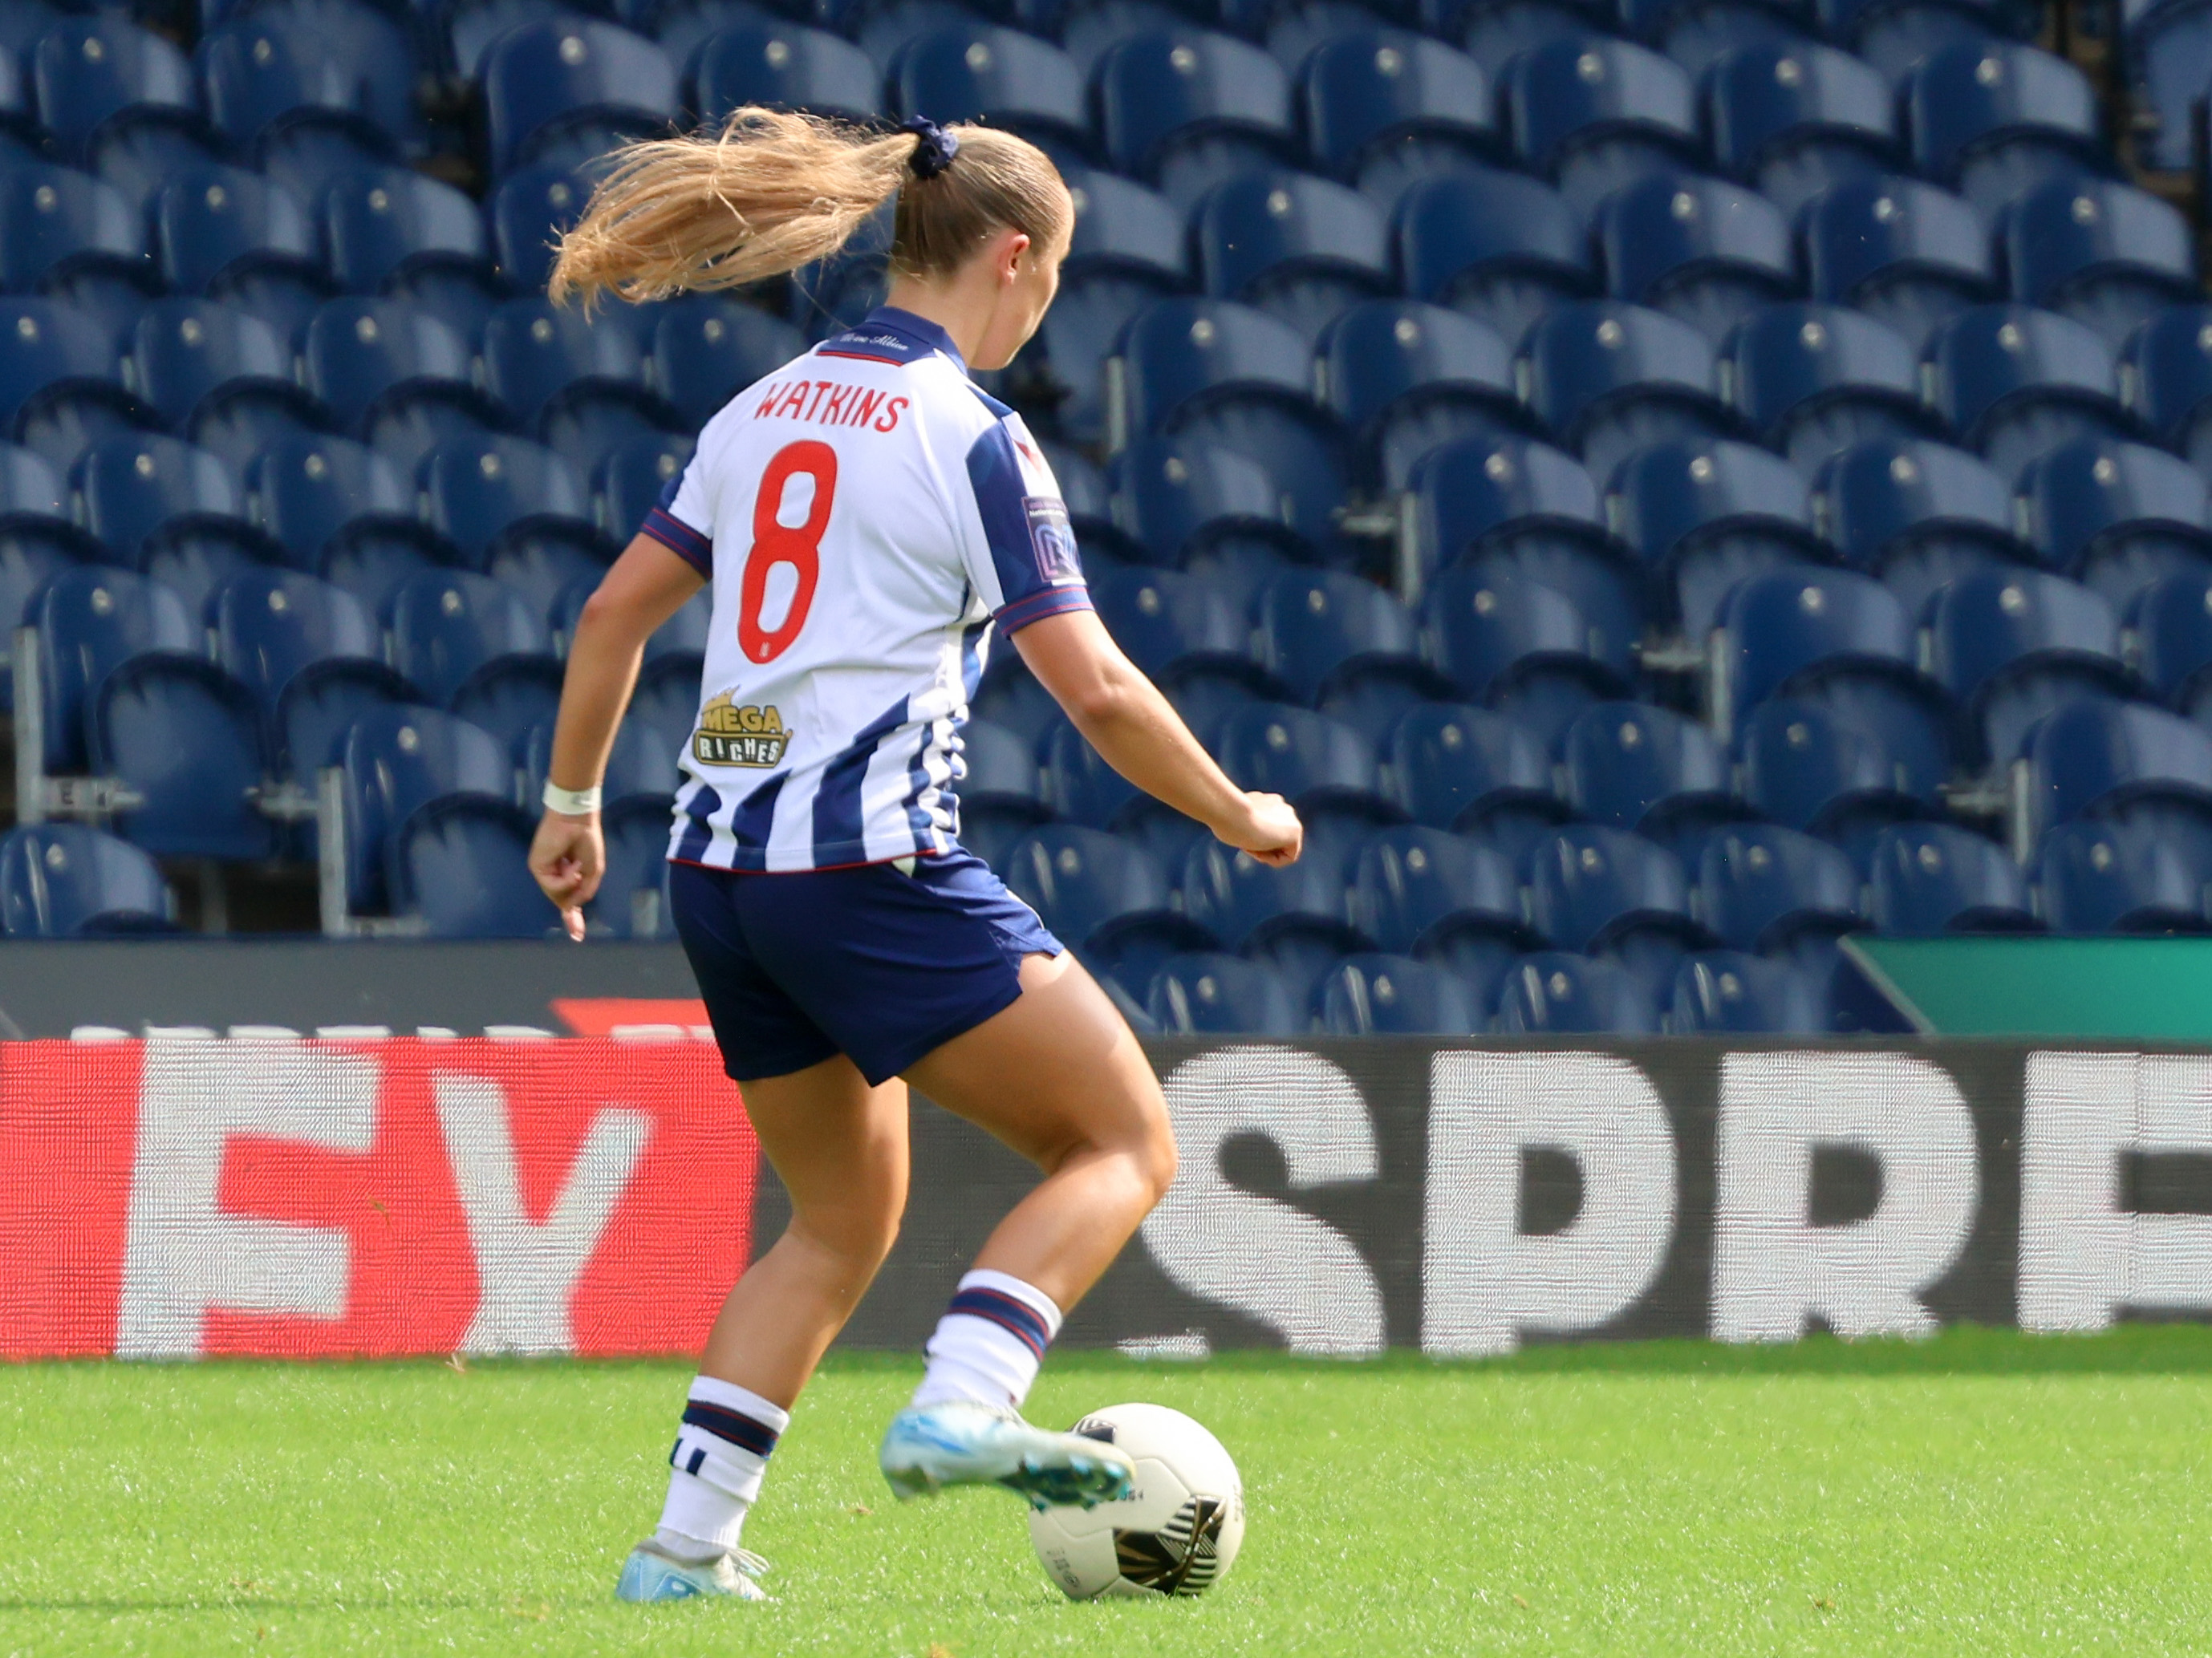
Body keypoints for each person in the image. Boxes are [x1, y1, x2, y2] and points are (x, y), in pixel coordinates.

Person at [527, 108, 1304, 1605]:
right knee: (1123, 1143)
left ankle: (681, 1556)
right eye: (1054, 278)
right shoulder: (974, 437)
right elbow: (1095, 687)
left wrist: (571, 804)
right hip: (865, 869)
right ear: (1014, 258)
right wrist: (1237, 813)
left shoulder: (758, 413)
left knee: (837, 1219)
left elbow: (612, 615)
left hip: (719, 878)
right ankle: (961, 1405)